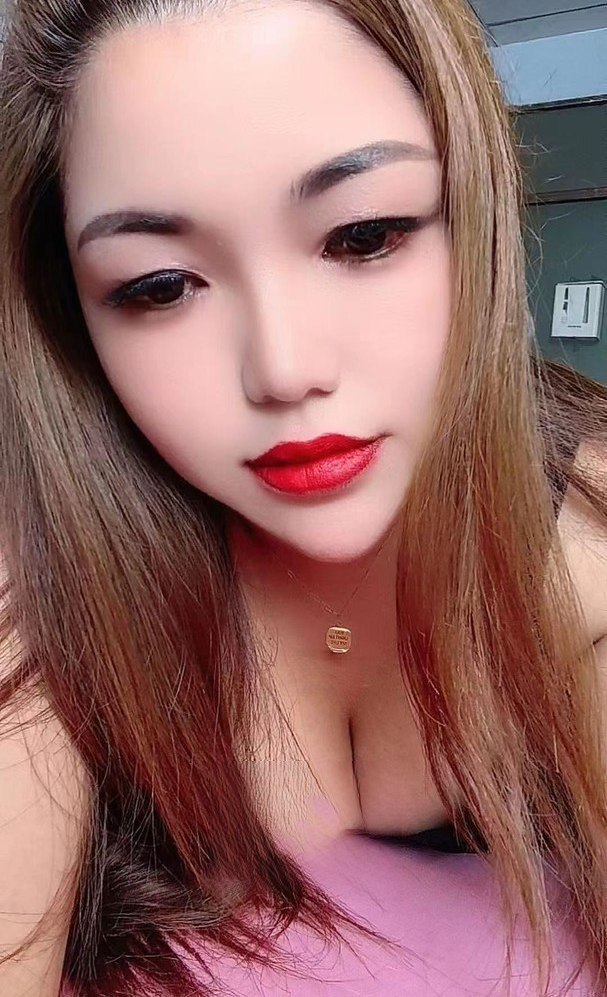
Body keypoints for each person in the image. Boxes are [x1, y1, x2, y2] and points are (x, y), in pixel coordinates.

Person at [1, 0, 607, 994]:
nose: (283, 370)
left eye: (362, 235)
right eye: (159, 286)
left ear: (475, 216)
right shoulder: (42, 579)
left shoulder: (584, 537)